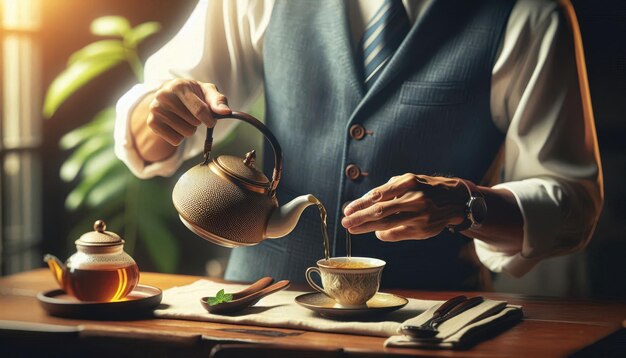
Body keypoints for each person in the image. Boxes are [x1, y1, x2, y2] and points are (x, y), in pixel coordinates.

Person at [115, 0, 603, 290]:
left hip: (433, 326)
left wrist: (467, 204)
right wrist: (160, 113)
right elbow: (154, 122)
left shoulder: (530, 12)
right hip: (260, 311)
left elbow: (574, 202)